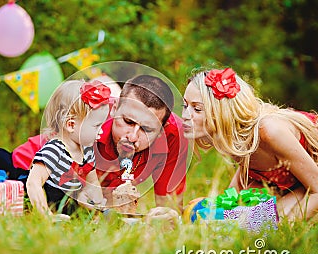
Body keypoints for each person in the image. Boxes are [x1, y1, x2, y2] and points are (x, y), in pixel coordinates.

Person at [182, 67, 318, 221]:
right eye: (185, 105)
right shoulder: (231, 139)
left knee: (269, 220)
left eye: (197, 109)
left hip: (313, 178)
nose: (186, 115)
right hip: (295, 181)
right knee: (243, 216)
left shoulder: (269, 132)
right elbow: (234, 197)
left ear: (222, 113)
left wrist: (285, 226)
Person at [94, 74, 188, 212]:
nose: (132, 137)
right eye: (128, 121)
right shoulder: (91, 114)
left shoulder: (174, 134)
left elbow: (169, 205)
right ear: (114, 109)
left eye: (147, 129)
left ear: (162, 130)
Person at [26, 80, 111, 215]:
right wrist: (46, 216)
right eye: (97, 126)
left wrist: (97, 204)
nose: (101, 131)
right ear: (71, 125)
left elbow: (92, 182)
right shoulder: (54, 150)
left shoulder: (87, 151)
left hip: (68, 204)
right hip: (49, 203)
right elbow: (33, 183)